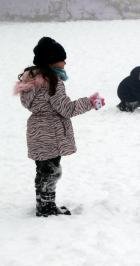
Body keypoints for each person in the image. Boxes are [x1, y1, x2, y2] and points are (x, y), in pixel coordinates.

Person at [13, 37, 105, 217]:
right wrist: (90, 102)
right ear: (51, 62)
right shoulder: (53, 82)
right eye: (62, 59)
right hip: (51, 132)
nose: (65, 62)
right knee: (52, 172)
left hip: (36, 129)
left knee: (43, 170)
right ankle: (47, 209)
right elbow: (67, 109)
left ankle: (42, 204)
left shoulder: (32, 81)